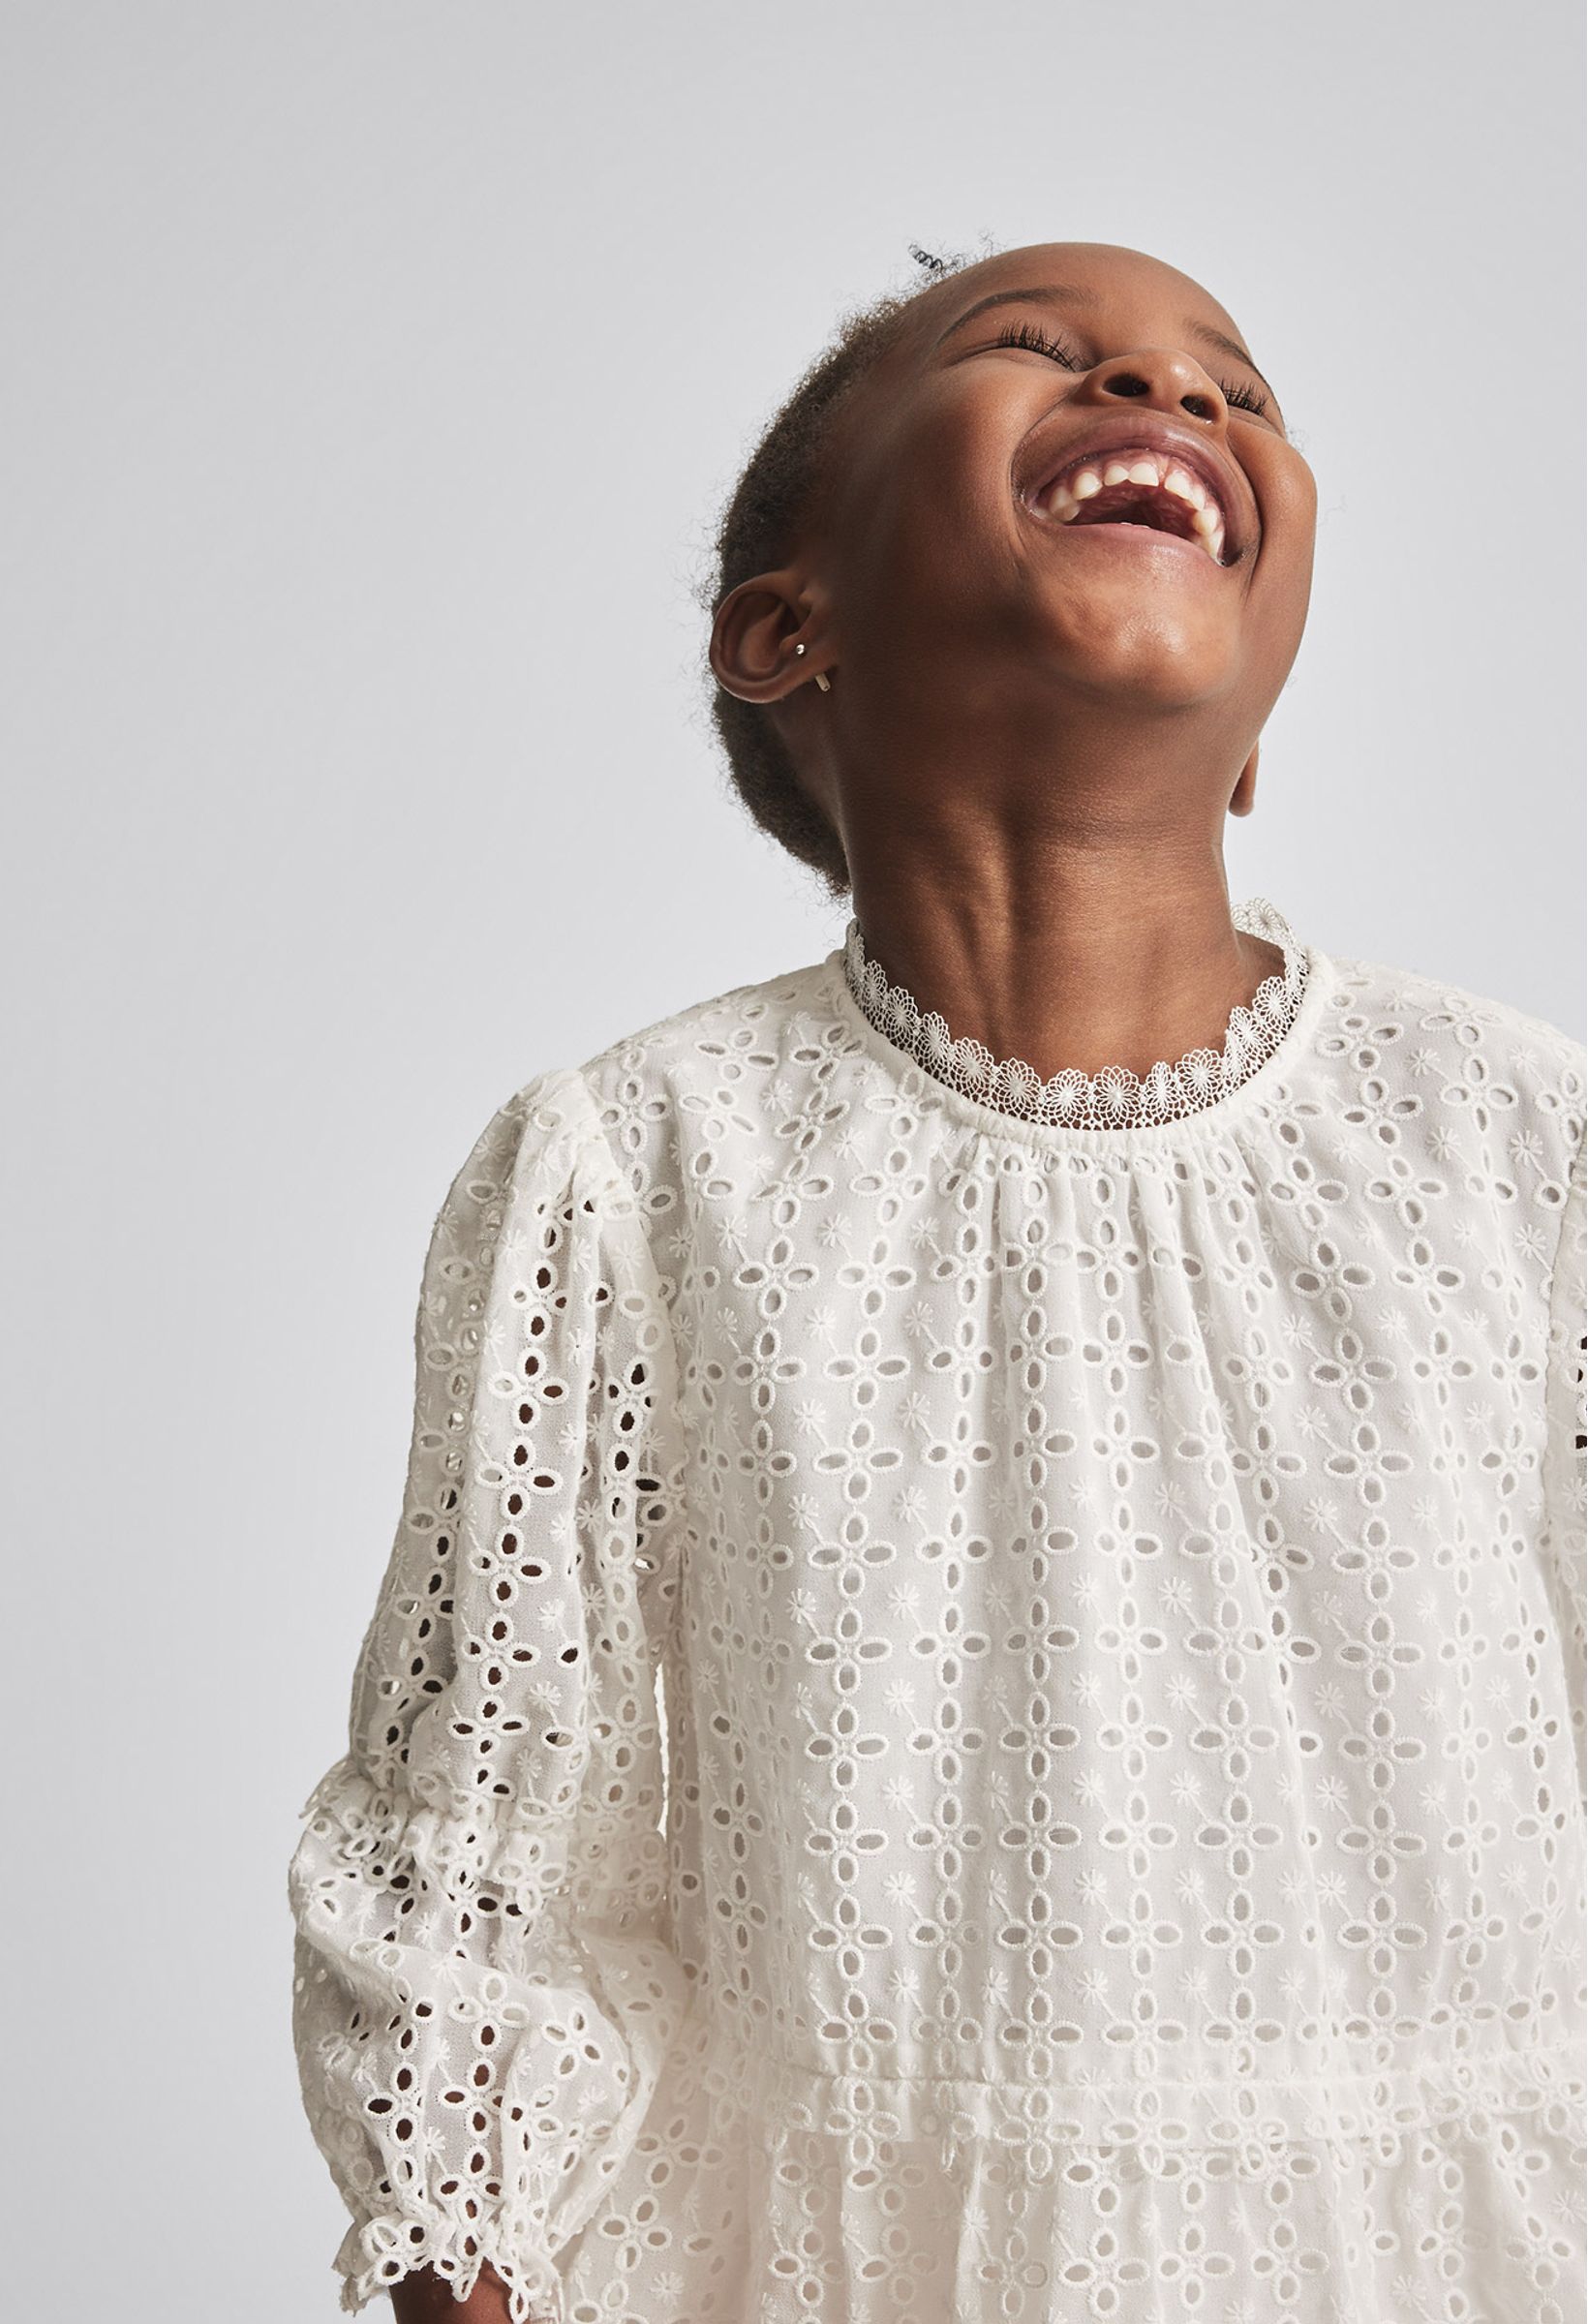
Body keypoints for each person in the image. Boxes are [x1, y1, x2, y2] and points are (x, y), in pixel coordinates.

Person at [287, 240, 1588, 2324]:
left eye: (1235, 388)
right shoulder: (638, 1171)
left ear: (1258, 720)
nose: (1174, 392)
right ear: (785, 626)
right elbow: (482, 1873)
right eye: (1039, 350)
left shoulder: (1519, 1146)